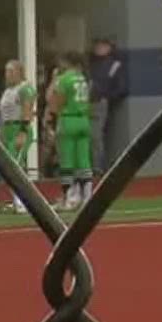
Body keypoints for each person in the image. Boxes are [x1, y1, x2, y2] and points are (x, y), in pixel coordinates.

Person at [47, 50, 94, 208]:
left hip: (69, 119)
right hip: (83, 119)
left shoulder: (64, 79)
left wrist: (52, 120)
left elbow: (57, 102)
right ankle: (87, 197)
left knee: (66, 161)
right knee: (84, 160)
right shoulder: (82, 79)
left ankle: (68, 198)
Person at [0, 59, 37, 211]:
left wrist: (23, 132)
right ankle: (16, 199)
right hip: (7, 128)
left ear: (19, 72)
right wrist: (0, 131)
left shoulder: (25, 88)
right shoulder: (7, 91)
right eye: (7, 71)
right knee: (9, 167)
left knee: (16, 166)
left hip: (18, 127)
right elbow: (3, 113)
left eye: (11, 71)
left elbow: (27, 110)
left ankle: (22, 201)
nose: (8, 75)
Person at [88, 36, 127, 174]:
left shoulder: (114, 64)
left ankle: (97, 168)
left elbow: (121, 87)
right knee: (86, 136)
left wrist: (106, 97)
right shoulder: (91, 64)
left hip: (100, 103)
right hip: (86, 102)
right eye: (97, 45)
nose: (98, 48)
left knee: (95, 136)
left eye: (102, 45)